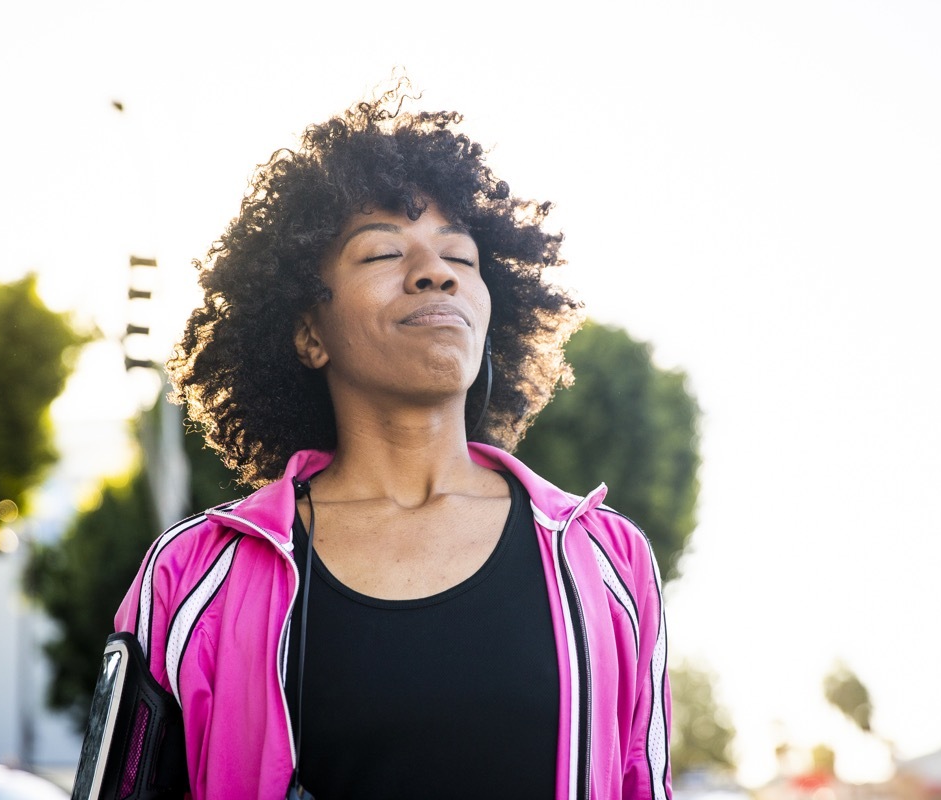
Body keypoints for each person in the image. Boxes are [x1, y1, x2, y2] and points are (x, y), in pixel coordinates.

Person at [111, 84, 672, 800]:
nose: (434, 272)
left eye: (460, 259)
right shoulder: (194, 577)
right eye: (381, 254)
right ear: (309, 333)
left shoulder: (608, 561)